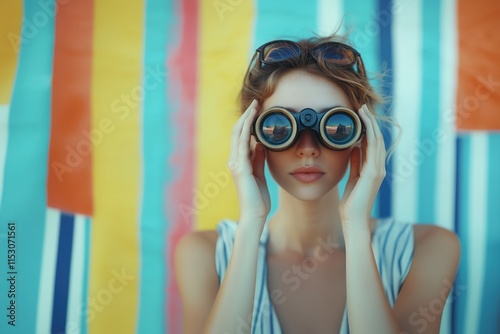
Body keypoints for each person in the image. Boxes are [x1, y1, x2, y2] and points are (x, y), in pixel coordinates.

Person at [175, 35, 460, 334]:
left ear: (363, 137)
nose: (308, 148)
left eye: (336, 127)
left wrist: (356, 228)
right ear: (252, 136)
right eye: (281, 127)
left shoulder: (425, 250)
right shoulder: (204, 255)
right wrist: (250, 224)